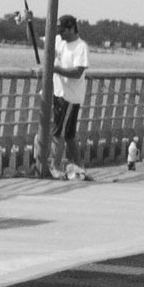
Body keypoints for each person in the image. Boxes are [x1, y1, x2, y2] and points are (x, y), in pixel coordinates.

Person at [48, 14, 89, 180]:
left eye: (63, 30)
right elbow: (35, 41)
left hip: (70, 98)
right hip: (58, 94)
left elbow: (78, 72)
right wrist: (28, 21)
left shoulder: (80, 47)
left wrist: (55, 69)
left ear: (71, 28)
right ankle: (79, 167)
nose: (60, 33)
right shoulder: (59, 40)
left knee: (59, 133)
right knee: (70, 135)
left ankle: (54, 167)